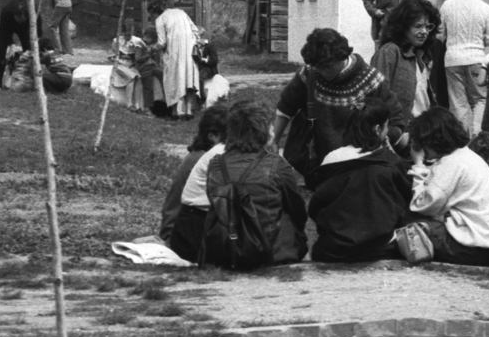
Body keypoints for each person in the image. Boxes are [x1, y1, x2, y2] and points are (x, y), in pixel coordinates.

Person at [274, 28, 393, 178]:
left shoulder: (372, 81)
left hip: (358, 164)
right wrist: (274, 141)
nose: (322, 72)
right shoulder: (309, 74)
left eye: (328, 67)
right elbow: (285, 107)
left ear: (343, 56)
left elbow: (392, 119)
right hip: (318, 163)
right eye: (318, 67)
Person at [204, 99, 310, 266]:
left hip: (227, 251)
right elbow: (297, 209)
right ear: (264, 132)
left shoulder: (216, 165)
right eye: (270, 127)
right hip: (272, 252)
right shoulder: (276, 165)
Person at [309, 100, 413, 262]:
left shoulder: (331, 158)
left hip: (333, 248)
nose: (387, 132)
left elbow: (317, 205)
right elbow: (409, 200)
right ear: (378, 129)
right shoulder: (389, 162)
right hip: (378, 248)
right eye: (386, 127)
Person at [407, 107, 489, 266]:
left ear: (430, 141)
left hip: (473, 248)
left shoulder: (451, 163)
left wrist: (418, 164)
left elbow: (423, 206)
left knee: (408, 218)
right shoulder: (467, 156)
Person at [370, 0, 443, 149]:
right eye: (418, 26)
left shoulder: (420, 56)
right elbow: (377, 98)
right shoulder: (389, 52)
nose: (424, 32)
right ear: (403, 26)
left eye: (428, 26)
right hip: (402, 138)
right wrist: (393, 135)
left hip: (423, 134)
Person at [161, 102, 231, 252]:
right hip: (179, 233)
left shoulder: (202, 155)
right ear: (212, 136)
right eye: (230, 137)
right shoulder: (205, 159)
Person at [439, 0, 489, 138]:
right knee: (479, 99)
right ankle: (476, 134)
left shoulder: (447, 5)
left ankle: (462, 137)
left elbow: (440, 35)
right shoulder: (484, 7)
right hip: (476, 57)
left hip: (453, 59)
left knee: (457, 101)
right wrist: (479, 42)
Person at [154, 0, 202, 119]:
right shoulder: (182, 12)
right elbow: (196, 31)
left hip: (174, 53)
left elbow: (162, 43)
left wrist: (151, 49)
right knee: (188, 79)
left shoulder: (160, 19)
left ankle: (176, 112)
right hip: (189, 52)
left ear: (155, 11)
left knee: (174, 80)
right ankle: (188, 111)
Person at [0, 0, 33, 90]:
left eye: (21, 19)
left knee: (30, 52)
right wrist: (11, 44)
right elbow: (4, 30)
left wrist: (29, 49)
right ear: (14, 15)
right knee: (1, 51)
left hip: (25, 29)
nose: (19, 21)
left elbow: (38, 33)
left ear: (25, 16)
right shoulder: (6, 11)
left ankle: (28, 79)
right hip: (7, 26)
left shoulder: (33, 12)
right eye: (17, 18)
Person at [108, 23, 151, 110]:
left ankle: (139, 106)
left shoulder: (137, 41)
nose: (128, 36)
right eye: (126, 34)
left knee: (138, 78)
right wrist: (117, 60)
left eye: (129, 34)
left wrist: (135, 62)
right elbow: (111, 56)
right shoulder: (117, 41)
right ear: (122, 33)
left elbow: (144, 53)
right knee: (131, 78)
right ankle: (129, 104)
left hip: (131, 65)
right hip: (120, 65)